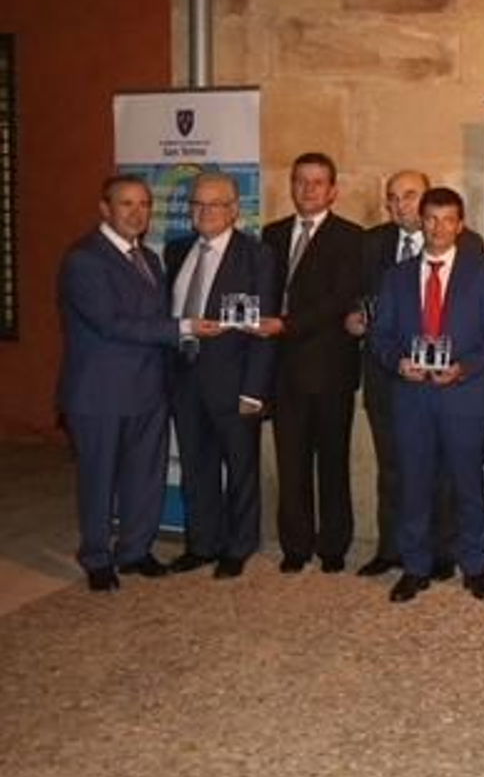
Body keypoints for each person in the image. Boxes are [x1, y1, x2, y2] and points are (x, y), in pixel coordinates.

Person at [56, 175, 220, 590]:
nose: (136, 212)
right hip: (100, 392)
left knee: (145, 474)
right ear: (105, 209)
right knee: (99, 478)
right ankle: (96, 556)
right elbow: (111, 323)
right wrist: (183, 326)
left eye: (144, 204)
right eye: (126, 204)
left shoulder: (150, 258)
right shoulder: (84, 259)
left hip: (149, 387)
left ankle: (134, 550)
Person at [371, 187, 484, 603]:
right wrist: (398, 362)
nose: (438, 227)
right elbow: (380, 336)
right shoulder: (396, 276)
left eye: (448, 219)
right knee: (414, 485)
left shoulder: (483, 274)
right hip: (412, 397)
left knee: (468, 485)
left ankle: (475, 567)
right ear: (421, 220)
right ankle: (414, 567)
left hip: (463, 396)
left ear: (460, 224)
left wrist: (464, 367)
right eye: (430, 218)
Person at [345, 169, 483, 580]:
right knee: (394, 469)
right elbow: (361, 300)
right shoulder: (371, 244)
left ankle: (442, 553)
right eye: (393, 197)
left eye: (409, 195)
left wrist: (459, 365)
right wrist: (353, 318)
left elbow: (474, 310)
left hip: (449, 383)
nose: (400, 204)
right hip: (389, 377)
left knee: (445, 475)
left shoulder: (468, 245)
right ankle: (393, 550)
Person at [163, 172, 278, 579]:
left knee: (241, 468)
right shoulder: (175, 252)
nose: (205, 211)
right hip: (185, 379)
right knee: (196, 467)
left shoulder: (257, 256)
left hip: (235, 382)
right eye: (197, 204)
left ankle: (238, 546)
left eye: (215, 204)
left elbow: (264, 329)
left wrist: (254, 391)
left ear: (234, 210)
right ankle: (201, 544)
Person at [260, 152, 364, 573]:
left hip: (329, 369)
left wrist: (285, 325)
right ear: (291, 185)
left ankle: (334, 546)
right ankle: (296, 546)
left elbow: (338, 300)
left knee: (333, 464)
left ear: (333, 190)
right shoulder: (272, 234)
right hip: (282, 371)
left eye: (318, 182)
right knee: (291, 462)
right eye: (301, 181)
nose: (308, 189)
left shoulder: (350, 237)